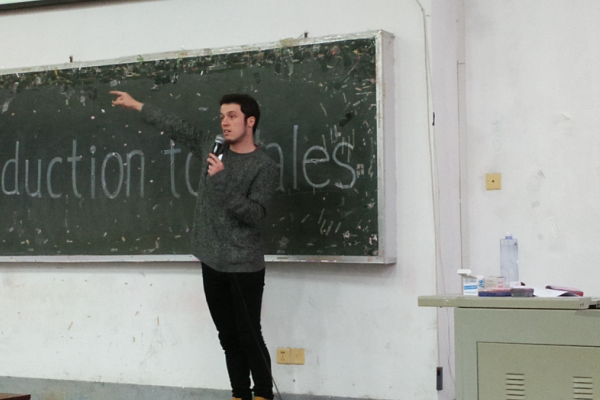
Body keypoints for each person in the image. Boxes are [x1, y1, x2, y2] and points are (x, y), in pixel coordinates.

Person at [110, 90, 278, 400]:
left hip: (243, 266)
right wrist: (136, 105)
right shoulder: (212, 148)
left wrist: (223, 180)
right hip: (211, 261)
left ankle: (264, 394)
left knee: (249, 335)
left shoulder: (264, 166)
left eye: (232, 116)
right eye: (222, 116)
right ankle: (240, 394)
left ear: (250, 121)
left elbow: (254, 215)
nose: (224, 122)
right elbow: (175, 125)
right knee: (227, 337)